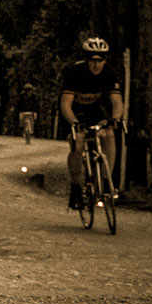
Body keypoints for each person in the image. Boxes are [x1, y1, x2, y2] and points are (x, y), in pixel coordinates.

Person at [60, 36, 123, 210]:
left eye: (100, 60)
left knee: (109, 134)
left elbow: (117, 102)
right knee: (78, 143)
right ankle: (76, 186)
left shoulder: (109, 73)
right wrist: (74, 123)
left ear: (105, 59)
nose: (96, 64)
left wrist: (115, 120)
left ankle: (106, 181)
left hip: (95, 111)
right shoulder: (75, 72)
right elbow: (66, 104)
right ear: (87, 60)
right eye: (93, 60)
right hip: (73, 112)